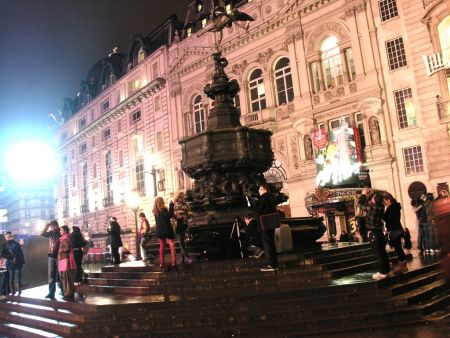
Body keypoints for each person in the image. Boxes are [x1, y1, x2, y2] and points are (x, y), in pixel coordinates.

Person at [359, 189, 388, 279]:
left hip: (374, 232)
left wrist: (363, 195)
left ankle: (382, 272)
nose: (371, 199)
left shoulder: (372, 208)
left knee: (378, 253)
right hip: (379, 232)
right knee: (382, 252)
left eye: (373, 198)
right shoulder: (381, 207)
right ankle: (386, 270)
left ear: (375, 201)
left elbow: (361, 205)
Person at [255, 184, 279, 272]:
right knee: (271, 243)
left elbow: (259, 210)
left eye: (260, 189)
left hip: (264, 224)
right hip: (271, 224)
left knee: (267, 244)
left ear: (264, 190)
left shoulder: (263, 198)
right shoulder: (271, 198)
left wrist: (254, 203)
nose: (259, 191)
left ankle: (271, 265)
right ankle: (275, 264)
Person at [382, 194, 407, 274]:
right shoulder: (395, 207)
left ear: (388, 200)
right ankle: (403, 262)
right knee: (398, 247)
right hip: (397, 229)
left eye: (384, 201)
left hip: (394, 230)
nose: (384, 203)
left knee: (397, 247)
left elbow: (385, 218)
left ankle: (402, 263)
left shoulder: (390, 208)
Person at [153, 197, 176, 271]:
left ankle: (162, 263)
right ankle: (174, 262)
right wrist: (171, 205)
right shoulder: (163, 209)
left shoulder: (155, 211)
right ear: (161, 202)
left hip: (160, 231)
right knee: (172, 245)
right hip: (166, 230)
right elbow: (169, 215)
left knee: (162, 246)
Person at [40, 220, 61, 300]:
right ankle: (51, 293)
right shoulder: (51, 233)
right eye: (51, 227)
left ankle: (64, 291)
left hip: (59, 256)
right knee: (51, 275)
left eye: (53, 226)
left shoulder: (61, 232)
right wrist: (46, 226)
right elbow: (42, 234)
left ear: (57, 226)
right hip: (51, 256)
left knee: (60, 274)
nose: (52, 228)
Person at [58, 225, 77, 299]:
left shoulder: (65, 238)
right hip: (65, 259)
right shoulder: (66, 238)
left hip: (65, 259)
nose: (60, 231)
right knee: (66, 277)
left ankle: (68, 292)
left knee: (66, 277)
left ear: (65, 231)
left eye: (61, 230)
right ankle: (68, 291)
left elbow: (67, 248)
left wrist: (60, 250)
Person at [173, 191, 192, 264]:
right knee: (181, 242)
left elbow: (190, 214)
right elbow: (172, 215)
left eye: (182, 197)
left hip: (184, 224)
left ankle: (184, 258)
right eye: (179, 197)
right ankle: (187, 257)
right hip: (178, 225)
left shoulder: (186, 204)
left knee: (182, 242)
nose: (181, 198)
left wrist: (188, 219)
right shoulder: (174, 205)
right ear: (177, 198)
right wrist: (177, 216)